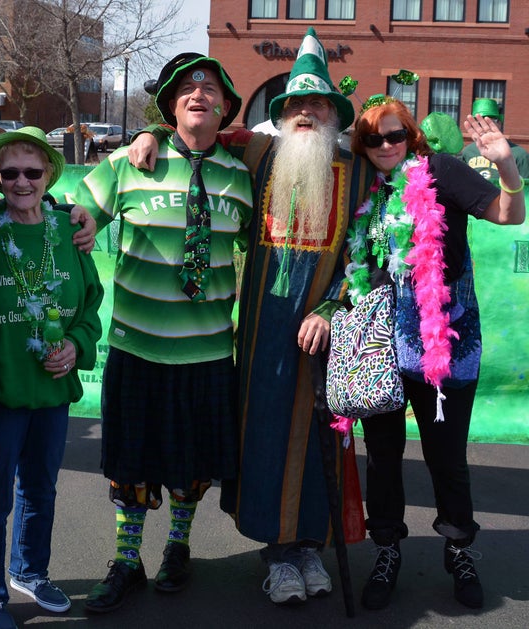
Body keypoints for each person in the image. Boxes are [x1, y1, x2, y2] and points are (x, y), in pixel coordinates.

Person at [129, 27, 370, 606]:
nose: (306, 114)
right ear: (281, 114)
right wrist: (150, 132)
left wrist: (335, 308)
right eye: (296, 105)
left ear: (334, 114)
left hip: (325, 332)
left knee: (321, 440)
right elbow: (198, 129)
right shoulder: (256, 154)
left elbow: (366, 256)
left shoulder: (359, 173)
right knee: (263, 435)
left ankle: (310, 544)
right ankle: (278, 554)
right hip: (262, 334)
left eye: (317, 105)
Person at [73, 53, 253, 613]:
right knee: (130, 463)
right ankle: (127, 558)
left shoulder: (244, 177)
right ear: (170, 106)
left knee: (193, 464)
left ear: (225, 108)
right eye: (185, 90)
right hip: (137, 348)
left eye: (211, 90)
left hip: (205, 354)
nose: (199, 95)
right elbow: (72, 221)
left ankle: (179, 547)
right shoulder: (130, 165)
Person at [347, 97, 525, 611]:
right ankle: (387, 550)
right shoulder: (362, 182)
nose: (385, 146)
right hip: (379, 342)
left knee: (446, 458)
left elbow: (508, 215)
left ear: (412, 136)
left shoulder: (440, 172)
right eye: (373, 138)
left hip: (446, 340)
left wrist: (505, 162)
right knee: (381, 457)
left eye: (395, 135)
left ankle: (459, 547)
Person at [0, 127, 103, 629]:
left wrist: (76, 346)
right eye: (9, 173)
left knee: (40, 490)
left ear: (48, 177)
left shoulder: (69, 229)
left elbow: (90, 308)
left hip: (52, 393)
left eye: (32, 172)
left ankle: (31, 571)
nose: (21, 182)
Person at [459, 98, 529, 181]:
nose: (484, 126)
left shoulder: (520, 155)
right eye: (479, 123)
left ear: (499, 122)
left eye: (489, 122)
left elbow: (525, 190)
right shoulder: (468, 152)